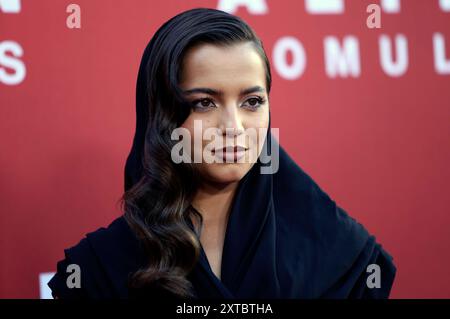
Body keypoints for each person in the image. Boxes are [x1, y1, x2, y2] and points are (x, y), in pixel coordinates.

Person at [48, 7, 396, 299]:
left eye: (252, 102)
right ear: (162, 115)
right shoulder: (99, 269)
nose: (234, 126)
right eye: (204, 102)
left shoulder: (342, 255)